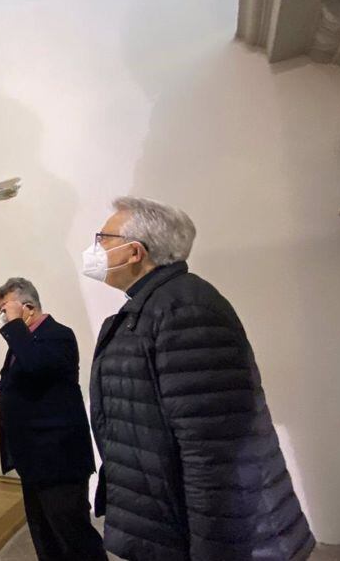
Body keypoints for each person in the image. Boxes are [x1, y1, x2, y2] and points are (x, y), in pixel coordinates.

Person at [84, 196, 315, 561]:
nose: (95, 248)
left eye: (103, 238)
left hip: (208, 532)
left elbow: (213, 449)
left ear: (134, 252)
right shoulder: (149, 307)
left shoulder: (185, 307)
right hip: (167, 520)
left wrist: (213, 551)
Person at [0, 278, 106, 561]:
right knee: (42, 530)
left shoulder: (59, 334)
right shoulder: (23, 340)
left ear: (28, 307)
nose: (3, 316)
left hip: (59, 457)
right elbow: (14, 376)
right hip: (32, 456)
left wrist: (13, 325)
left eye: (6, 309)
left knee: (72, 532)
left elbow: (37, 366)